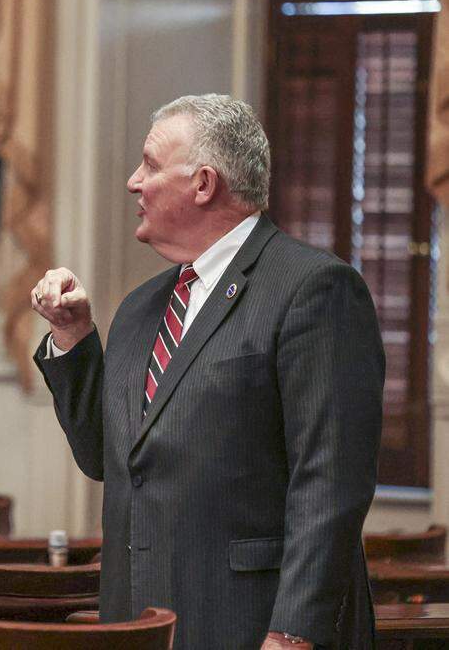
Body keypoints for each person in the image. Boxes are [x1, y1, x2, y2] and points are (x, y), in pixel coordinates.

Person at [31, 94, 383, 649]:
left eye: (149, 164)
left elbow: (331, 482)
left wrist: (292, 633)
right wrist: (73, 336)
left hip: (252, 624)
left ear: (202, 183)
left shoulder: (313, 288)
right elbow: (109, 457)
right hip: (139, 623)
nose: (132, 182)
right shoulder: (139, 308)